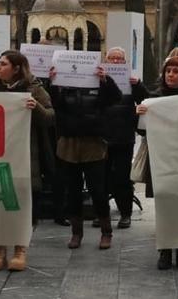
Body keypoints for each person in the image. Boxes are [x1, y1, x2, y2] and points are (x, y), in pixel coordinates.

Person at [0, 50, 54, 272]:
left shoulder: (34, 88)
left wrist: (37, 108)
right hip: (0, 154)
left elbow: (51, 117)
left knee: (23, 201)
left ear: (16, 68)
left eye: (3, 64)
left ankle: (20, 249)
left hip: (26, 154)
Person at [48, 54, 122, 252]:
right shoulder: (63, 86)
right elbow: (56, 105)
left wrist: (105, 80)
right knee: (72, 191)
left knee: (98, 190)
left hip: (93, 142)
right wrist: (53, 83)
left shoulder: (98, 86)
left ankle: (106, 231)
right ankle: (76, 232)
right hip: (69, 143)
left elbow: (116, 97)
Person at [135, 56, 178, 270]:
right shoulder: (154, 98)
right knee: (164, 205)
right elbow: (142, 131)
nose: (171, 75)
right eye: (168, 71)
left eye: (176, 71)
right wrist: (139, 115)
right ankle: (165, 251)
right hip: (161, 159)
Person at [99, 48, 140, 230]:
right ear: (106, 60)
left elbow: (144, 99)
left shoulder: (132, 81)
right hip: (103, 136)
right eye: (112, 58)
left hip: (124, 136)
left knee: (123, 178)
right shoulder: (98, 81)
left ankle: (125, 213)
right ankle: (102, 213)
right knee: (102, 177)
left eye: (119, 59)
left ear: (124, 62)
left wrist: (138, 85)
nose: (116, 62)